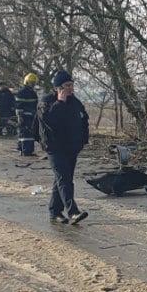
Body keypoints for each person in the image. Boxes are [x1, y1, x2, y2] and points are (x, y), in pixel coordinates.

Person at [39, 71, 90, 225]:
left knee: (61, 180)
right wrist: (60, 103)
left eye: (72, 85)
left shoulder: (75, 102)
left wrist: (83, 141)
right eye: (67, 86)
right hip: (54, 147)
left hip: (72, 147)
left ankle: (54, 211)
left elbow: (83, 121)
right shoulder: (47, 101)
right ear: (58, 88)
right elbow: (48, 120)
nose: (71, 89)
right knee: (64, 180)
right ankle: (73, 211)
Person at [14, 73, 40, 156]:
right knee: (27, 133)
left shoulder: (32, 92)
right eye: (31, 82)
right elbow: (18, 105)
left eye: (34, 82)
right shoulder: (23, 92)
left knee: (25, 133)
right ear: (27, 82)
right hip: (25, 115)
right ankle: (26, 151)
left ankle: (22, 149)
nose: (33, 84)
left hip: (31, 115)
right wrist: (20, 116)